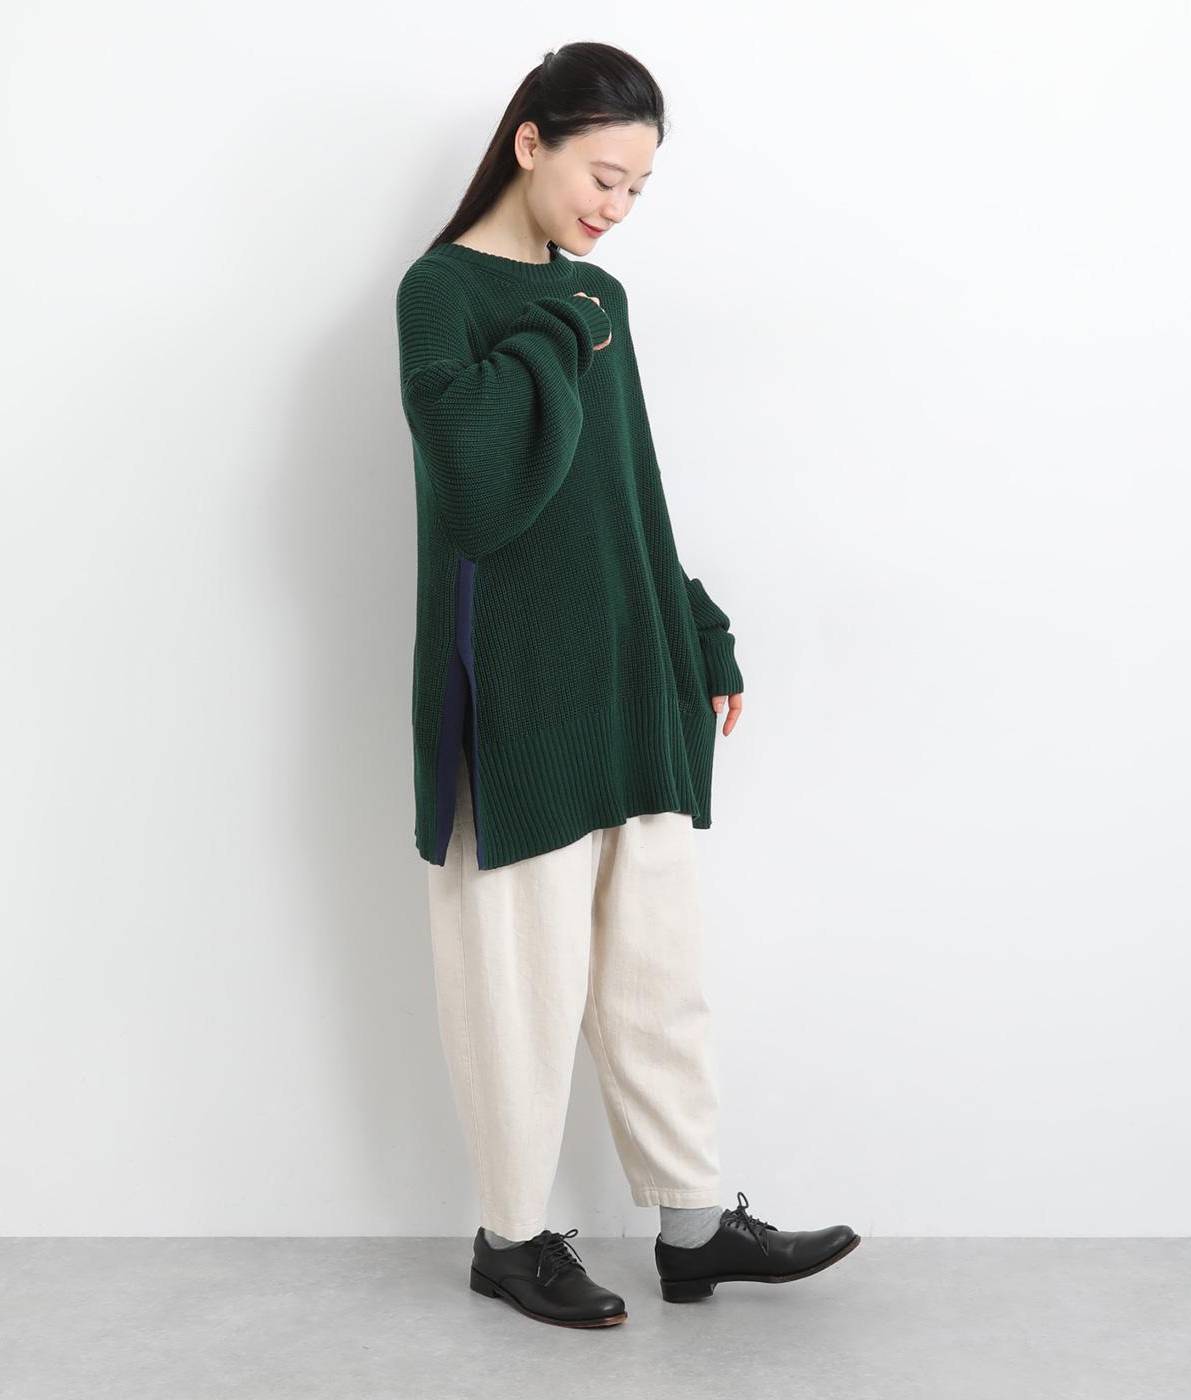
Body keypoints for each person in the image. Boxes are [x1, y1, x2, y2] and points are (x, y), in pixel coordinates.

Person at [395, 41, 859, 1329]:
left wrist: (693, 624)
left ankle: (694, 1227)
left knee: (659, 970)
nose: (617, 208)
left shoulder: (601, 296)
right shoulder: (441, 294)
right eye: (604, 176)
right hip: (513, 694)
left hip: (625, 665)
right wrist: (560, 324)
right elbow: (480, 494)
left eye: (640, 189)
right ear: (529, 144)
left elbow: (627, 491)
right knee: (521, 983)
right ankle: (511, 1237)